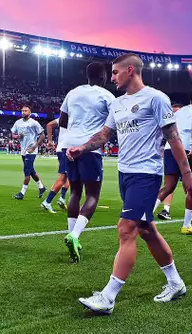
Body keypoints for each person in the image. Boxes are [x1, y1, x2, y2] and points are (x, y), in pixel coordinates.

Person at [70, 53, 192, 314]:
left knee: (126, 229)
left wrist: (186, 173)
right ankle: (176, 283)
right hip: (125, 173)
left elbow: (173, 137)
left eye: (116, 72)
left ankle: (108, 297)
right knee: (146, 230)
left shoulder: (156, 98)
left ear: (130, 70)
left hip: (146, 173)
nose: (113, 77)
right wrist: (83, 147)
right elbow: (105, 134)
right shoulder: (117, 104)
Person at [59, 61, 115, 263]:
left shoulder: (72, 92)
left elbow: (62, 120)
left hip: (69, 145)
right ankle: (74, 236)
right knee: (92, 195)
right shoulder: (107, 96)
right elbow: (113, 122)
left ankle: (70, 235)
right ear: (104, 77)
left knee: (74, 191)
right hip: (90, 147)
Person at [153, 89, 192, 234]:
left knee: (169, 186)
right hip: (187, 149)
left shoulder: (179, 111)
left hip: (170, 147)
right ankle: (187, 225)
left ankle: (145, 215)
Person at [12, 106, 47, 200]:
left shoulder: (34, 123)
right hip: (23, 150)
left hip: (31, 150)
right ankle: (41, 187)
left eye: (25, 110)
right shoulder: (18, 122)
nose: (23, 112)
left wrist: (34, 147)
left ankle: (22, 193)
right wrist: (17, 136)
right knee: (31, 170)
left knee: (26, 171)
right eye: (22, 111)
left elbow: (42, 135)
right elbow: (12, 134)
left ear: (30, 112)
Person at [41, 118, 69, 213]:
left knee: (70, 176)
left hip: (65, 149)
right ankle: (47, 201)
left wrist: (50, 141)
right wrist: (49, 141)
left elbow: (49, 125)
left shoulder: (69, 115)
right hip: (65, 150)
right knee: (63, 177)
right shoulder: (69, 116)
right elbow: (49, 125)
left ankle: (62, 198)